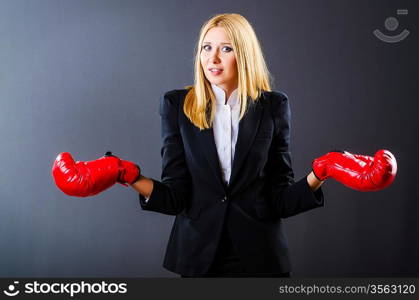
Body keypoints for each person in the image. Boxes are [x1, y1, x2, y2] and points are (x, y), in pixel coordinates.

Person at [52, 13, 397, 277]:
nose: (212, 58)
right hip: (197, 256)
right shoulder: (177, 105)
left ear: (243, 54)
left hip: (261, 258)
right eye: (206, 47)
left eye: (226, 48)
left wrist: (324, 171)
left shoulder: (273, 106)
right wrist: (124, 174)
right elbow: (176, 196)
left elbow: (279, 198)